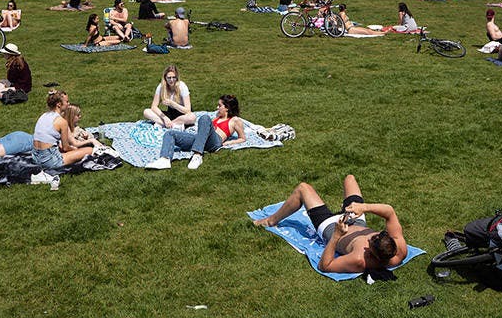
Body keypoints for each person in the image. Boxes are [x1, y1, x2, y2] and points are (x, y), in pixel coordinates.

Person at [252, 174, 408, 274]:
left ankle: (270, 220)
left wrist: (336, 235)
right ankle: (346, 208)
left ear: (373, 254)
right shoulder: (400, 250)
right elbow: (390, 212)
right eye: (375, 236)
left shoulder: (360, 260)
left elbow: (325, 265)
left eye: (370, 244)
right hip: (356, 219)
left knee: (303, 188)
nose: (368, 240)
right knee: (350, 178)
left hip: (330, 226)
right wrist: (364, 207)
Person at [144, 94, 246, 170]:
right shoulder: (217, 116)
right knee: (170, 134)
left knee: (205, 118)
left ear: (227, 108)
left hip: (214, 142)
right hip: (200, 140)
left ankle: (197, 155)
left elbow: (242, 138)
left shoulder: (235, 120)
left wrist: (228, 142)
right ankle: (165, 159)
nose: (217, 108)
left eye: (219, 106)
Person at [32, 89, 95, 170]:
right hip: (50, 161)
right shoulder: (62, 121)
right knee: (89, 150)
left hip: (35, 157)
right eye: (67, 102)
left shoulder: (43, 116)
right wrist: (75, 149)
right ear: (59, 104)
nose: (68, 104)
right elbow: (66, 148)